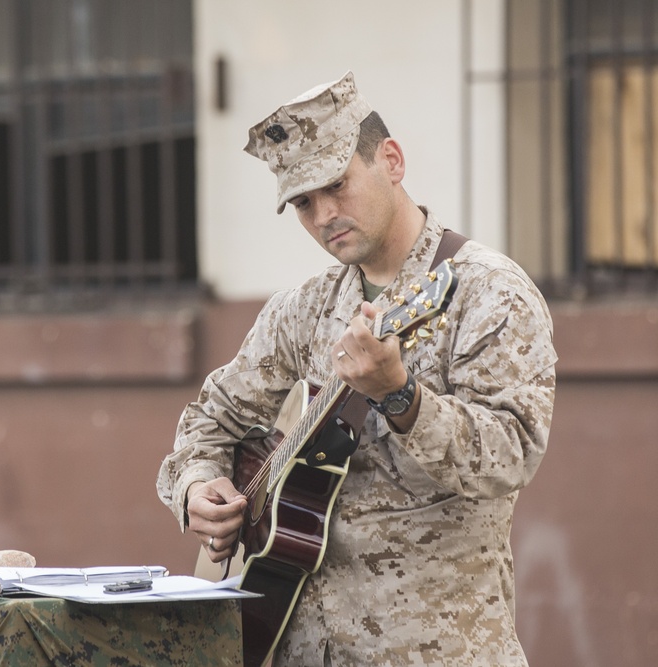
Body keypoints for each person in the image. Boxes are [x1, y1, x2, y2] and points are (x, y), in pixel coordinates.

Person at [156, 71, 557, 665]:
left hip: (434, 650)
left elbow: (511, 454)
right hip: (297, 648)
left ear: (391, 160)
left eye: (336, 185)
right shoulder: (305, 309)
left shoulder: (488, 293)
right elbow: (208, 419)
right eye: (302, 202)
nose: (323, 215)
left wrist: (402, 397)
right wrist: (195, 485)